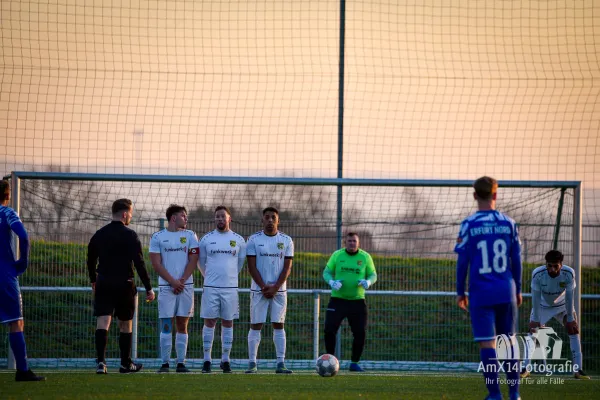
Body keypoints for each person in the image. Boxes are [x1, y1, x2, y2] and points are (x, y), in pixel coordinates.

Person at [455, 176, 523, 400]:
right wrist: (518, 289)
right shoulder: (509, 223)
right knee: (509, 342)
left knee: (488, 343)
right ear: (495, 194)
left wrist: (460, 292)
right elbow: (517, 259)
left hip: (481, 293)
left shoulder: (469, 224)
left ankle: (495, 395)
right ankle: (514, 394)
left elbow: (463, 262)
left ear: (475, 195)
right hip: (506, 290)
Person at [87, 198, 155, 374]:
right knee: (125, 324)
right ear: (125, 214)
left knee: (103, 321)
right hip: (125, 284)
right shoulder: (130, 235)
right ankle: (125, 363)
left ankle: (101, 363)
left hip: (103, 282)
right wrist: (148, 287)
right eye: (130, 213)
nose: (130, 216)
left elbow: (90, 258)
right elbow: (139, 263)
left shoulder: (100, 234)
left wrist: (93, 278)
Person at [520, 250, 590, 380]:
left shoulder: (569, 273)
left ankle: (578, 370)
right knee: (532, 333)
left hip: (562, 306)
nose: (552, 269)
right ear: (546, 264)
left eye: (555, 266)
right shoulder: (538, 274)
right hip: (542, 306)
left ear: (561, 265)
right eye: (549, 265)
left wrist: (570, 318)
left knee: (573, 330)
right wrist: (535, 319)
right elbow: (535, 297)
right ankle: (525, 368)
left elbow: (570, 297)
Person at [0, 180, 45, 381]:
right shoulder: (8, 213)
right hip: (5, 274)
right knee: (16, 323)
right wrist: (23, 262)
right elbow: (24, 238)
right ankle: (23, 371)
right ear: (8, 196)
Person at [149, 204, 199, 373]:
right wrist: (172, 281)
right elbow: (156, 264)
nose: (186, 219)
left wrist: (181, 280)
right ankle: (165, 364)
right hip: (166, 286)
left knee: (182, 324)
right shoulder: (157, 237)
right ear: (173, 218)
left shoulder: (191, 235)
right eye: (183, 216)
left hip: (185, 286)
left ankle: (180, 363)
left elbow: (193, 260)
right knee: (166, 325)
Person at [245, 207, 294, 374]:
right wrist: (263, 287)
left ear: (278, 220)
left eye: (273, 217)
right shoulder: (253, 240)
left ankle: (281, 363)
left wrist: (275, 287)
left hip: (279, 291)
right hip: (259, 290)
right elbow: (251, 267)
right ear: (262, 220)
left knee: (279, 325)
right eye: (267, 217)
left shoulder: (287, 240)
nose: (270, 220)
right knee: (256, 325)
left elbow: (287, 268)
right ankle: (252, 363)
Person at [198, 206, 246, 373]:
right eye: (217, 216)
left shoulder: (239, 240)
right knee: (209, 322)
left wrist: (228, 278)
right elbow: (201, 262)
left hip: (230, 288)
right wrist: (210, 277)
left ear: (229, 219)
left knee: (228, 322)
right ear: (214, 219)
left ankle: (225, 359)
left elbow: (239, 264)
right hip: (210, 287)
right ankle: (207, 360)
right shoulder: (206, 239)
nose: (220, 219)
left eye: (222, 216)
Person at [323, 232, 377, 372]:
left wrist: (368, 281)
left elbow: (373, 274)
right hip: (337, 301)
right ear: (345, 243)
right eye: (349, 241)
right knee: (329, 330)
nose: (352, 243)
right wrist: (332, 282)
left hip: (357, 302)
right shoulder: (337, 255)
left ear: (358, 243)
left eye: (354, 241)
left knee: (360, 332)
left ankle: (354, 363)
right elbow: (326, 272)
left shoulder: (365, 257)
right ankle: (330, 361)